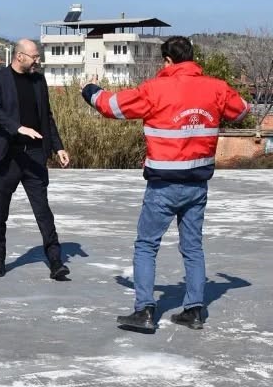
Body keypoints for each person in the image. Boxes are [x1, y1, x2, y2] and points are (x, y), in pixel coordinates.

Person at [81, 36, 249, 331]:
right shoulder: (216, 88)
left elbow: (111, 106)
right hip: (197, 186)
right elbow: (243, 110)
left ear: (167, 60)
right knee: (193, 248)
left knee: (146, 245)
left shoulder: (155, 90)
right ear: (192, 58)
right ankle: (194, 311)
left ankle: (145, 311)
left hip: (162, 186)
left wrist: (89, 89)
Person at [0, 39, 71, 280]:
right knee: (0, 211)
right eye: (35, 56)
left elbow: (47, 117)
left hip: (34, 155)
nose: (38, 60)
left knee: (43, 210)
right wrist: (18, 127)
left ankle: (56, 262)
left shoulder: (38, 80)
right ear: (20, 56)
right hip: (7, 156)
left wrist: (58, 147)